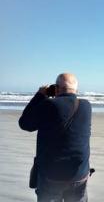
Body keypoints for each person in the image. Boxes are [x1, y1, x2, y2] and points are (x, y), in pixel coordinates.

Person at [19, 73, 92, 202]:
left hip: (52, 175)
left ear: (56, 88)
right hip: (79, 174)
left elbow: (24, 123)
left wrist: (40, 95)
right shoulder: (86, 106)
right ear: (76, 90)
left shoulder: (49, 105)